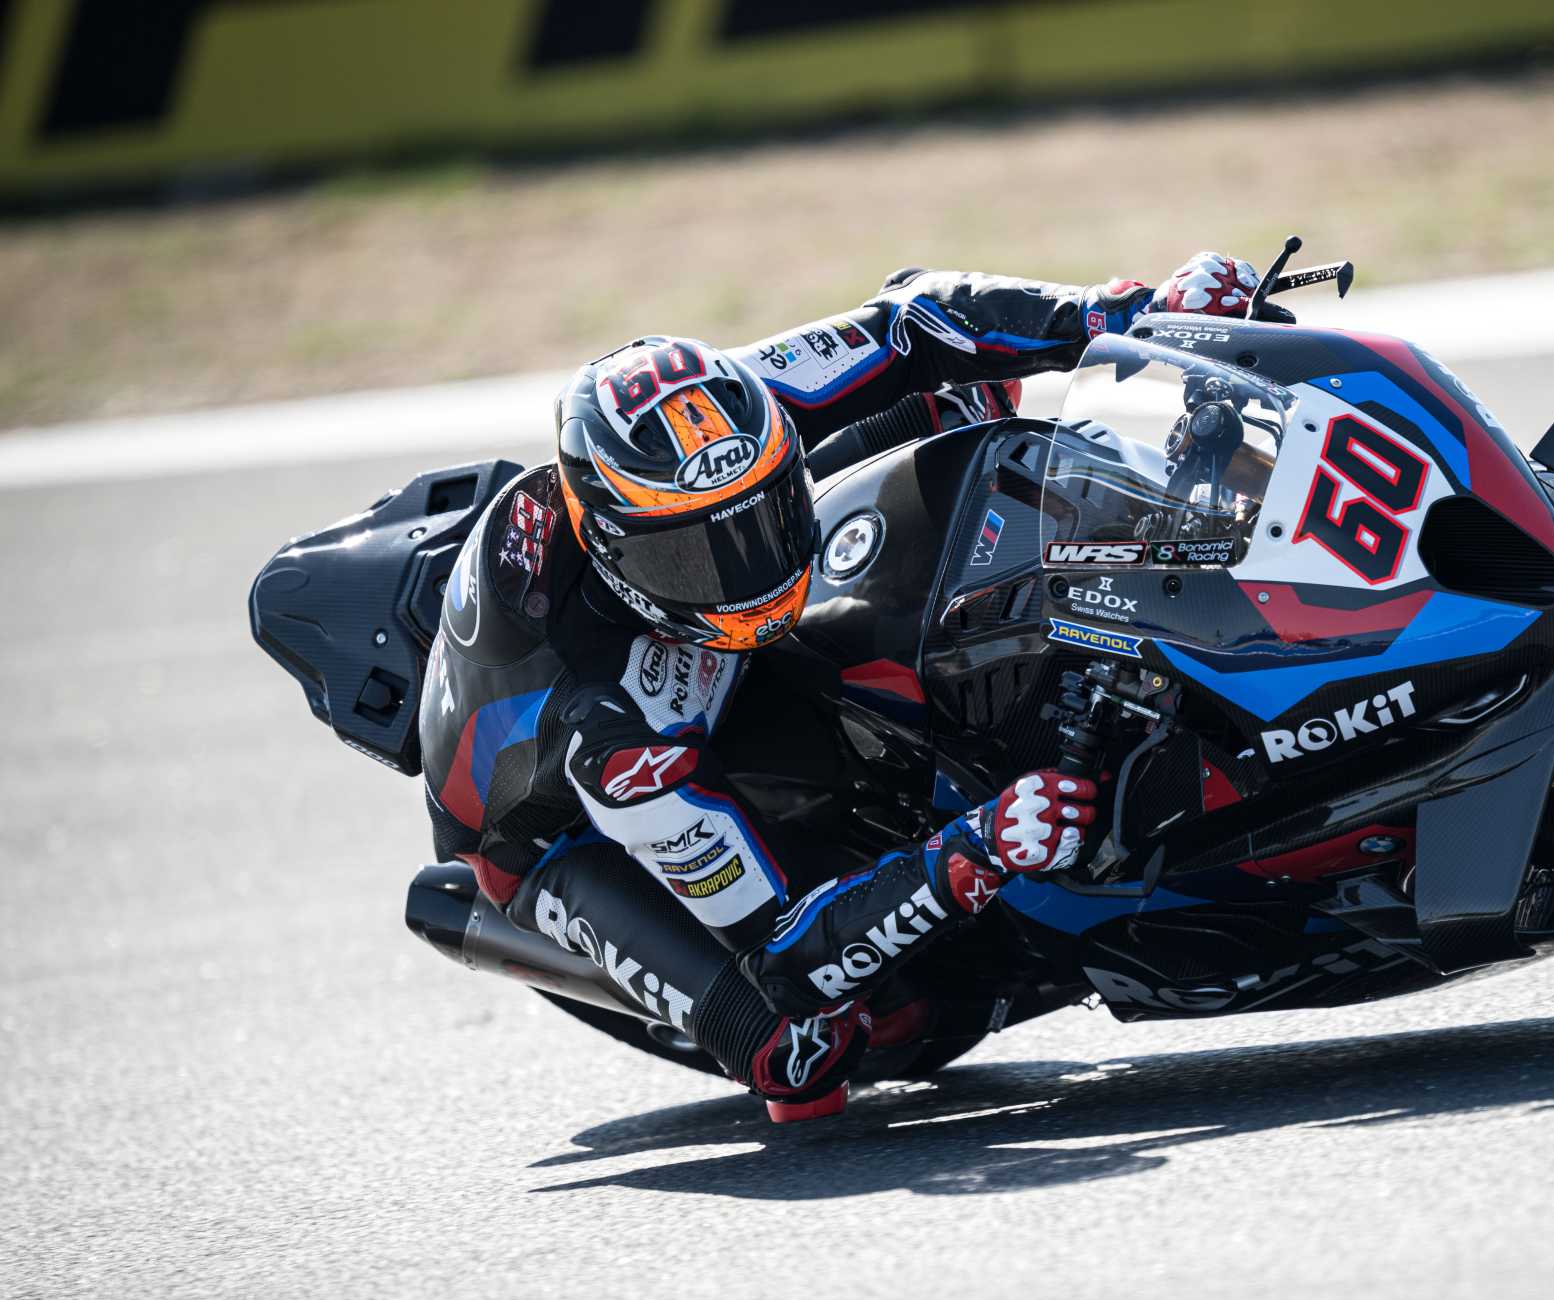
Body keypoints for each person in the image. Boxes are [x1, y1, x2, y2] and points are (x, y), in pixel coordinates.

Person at [418, 252, 1266, 1118]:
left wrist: (1129, 311)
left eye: (765, 515)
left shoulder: (728, 413)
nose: (749, 569)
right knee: (798, 1048)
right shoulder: (609, 733)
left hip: (698, 653)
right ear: (614, 547)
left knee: (959, 401)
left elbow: (915, 318)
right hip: (563, 829)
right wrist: (973, 850)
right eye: (695, 556)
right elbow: (784, 951)